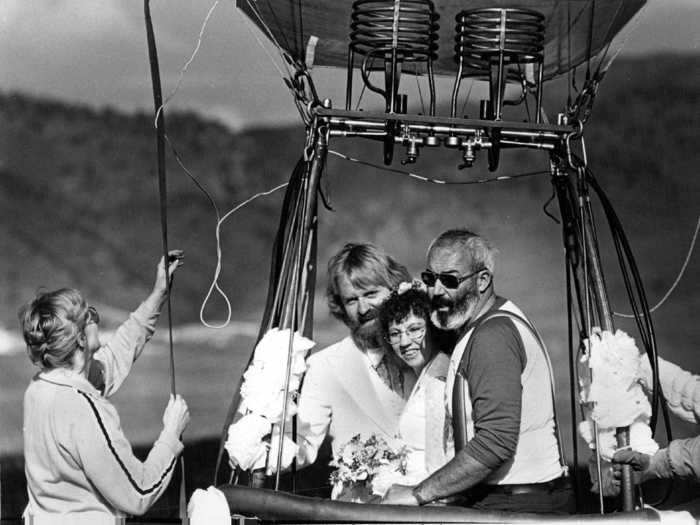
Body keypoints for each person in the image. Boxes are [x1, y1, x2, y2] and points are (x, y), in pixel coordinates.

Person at [382, 229, 573, 514]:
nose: (436, 291)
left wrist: (417, 494)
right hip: (506, 500)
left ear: (483, 280)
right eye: (430, 279)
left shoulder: (492, 336)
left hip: (518, 505)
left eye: (449, 280)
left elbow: (494, 443)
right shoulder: (483, 325)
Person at [20, 251, 190, 524]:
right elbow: (139, 492)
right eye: (91, 316)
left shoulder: (41, 387)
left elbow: (115, 355)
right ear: (80, 339)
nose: (97, 321)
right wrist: (172, 433)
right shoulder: (83, 407)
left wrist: (158, 294)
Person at [293, 242, 415, 468]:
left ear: (396, 289)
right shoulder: (324, 365)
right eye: (351, 300)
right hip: (358, 502)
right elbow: (301, 447)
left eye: (371, 294)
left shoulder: (428, 350)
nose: (362, 309)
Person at [376, 281, 453, 485]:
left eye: (414, 329)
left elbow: (438, 464)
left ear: (434, 329)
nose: (403, 342)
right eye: (395, 333)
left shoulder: (438, 377)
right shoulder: (423, 374)